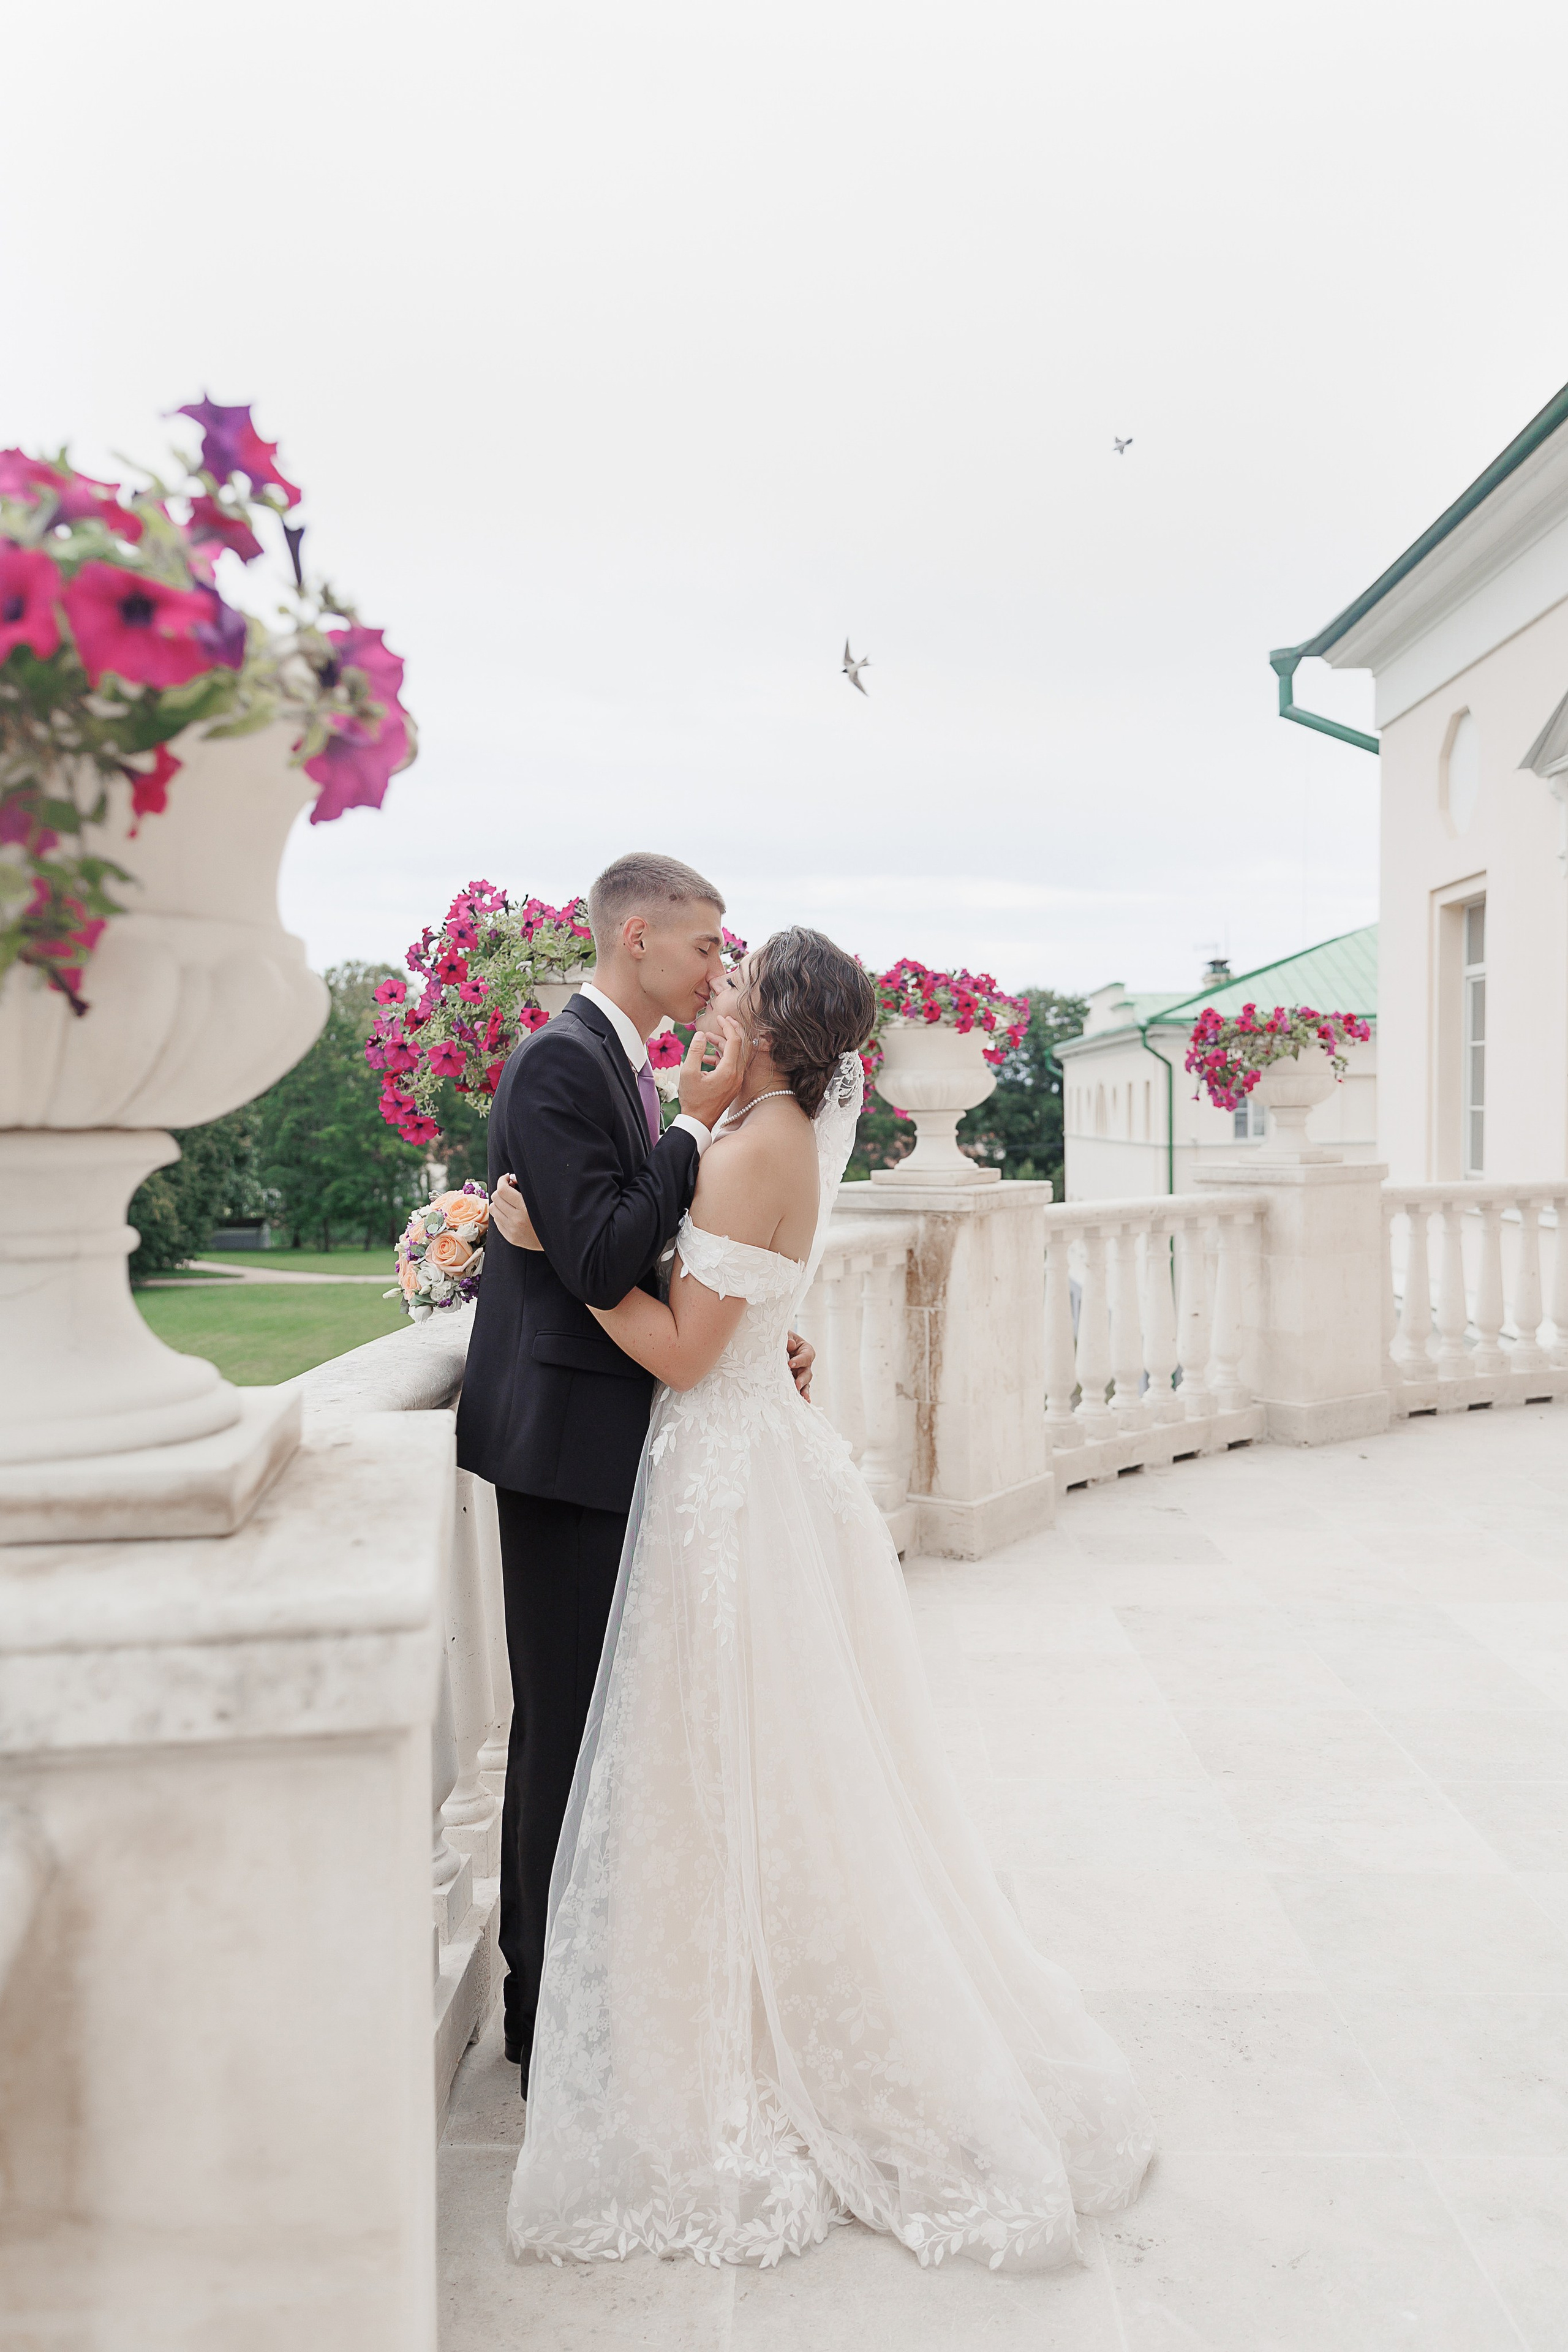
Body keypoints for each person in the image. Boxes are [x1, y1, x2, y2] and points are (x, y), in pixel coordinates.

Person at [489, 925, 1155, 2272]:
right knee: (748, 1764)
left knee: (737, 1762)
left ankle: (751, 2024)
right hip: (747, 1471)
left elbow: (680, 1351)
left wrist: (552, 1242)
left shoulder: (746, 1146)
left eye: (735, 987)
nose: (714, 994)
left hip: (721, 1486)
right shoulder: (766, 1129)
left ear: (779, 1024)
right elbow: (732, 1307)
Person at [455, 853, 814, 2082]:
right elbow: (604, 1244)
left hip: (613, 1433)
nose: (720, 966)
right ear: (640, 934)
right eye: (709, 945)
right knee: (558, 1730)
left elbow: (622, 1236)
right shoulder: (562, 1061)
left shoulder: (621, 1064)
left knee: (593, 1729)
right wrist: (698, 1126)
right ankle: (539, 2014)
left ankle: (580, 1985)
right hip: (560, 1446)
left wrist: (753, 1321)